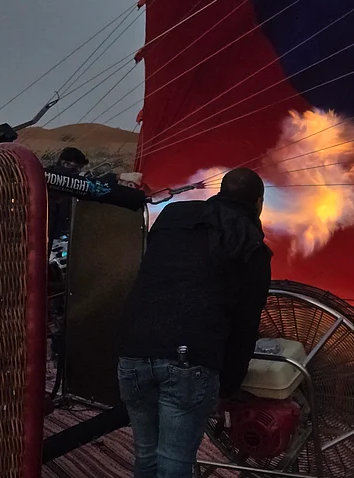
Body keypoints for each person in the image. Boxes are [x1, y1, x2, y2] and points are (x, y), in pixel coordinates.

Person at [117, 168, 273, 478]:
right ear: (258, 203)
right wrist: (229, 387)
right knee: (174, 463)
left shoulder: (173, 216)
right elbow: (245, 325)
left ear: (220, 191)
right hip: (189, 361)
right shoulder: (253, 248)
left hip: (132, 350)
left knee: (147, 456)